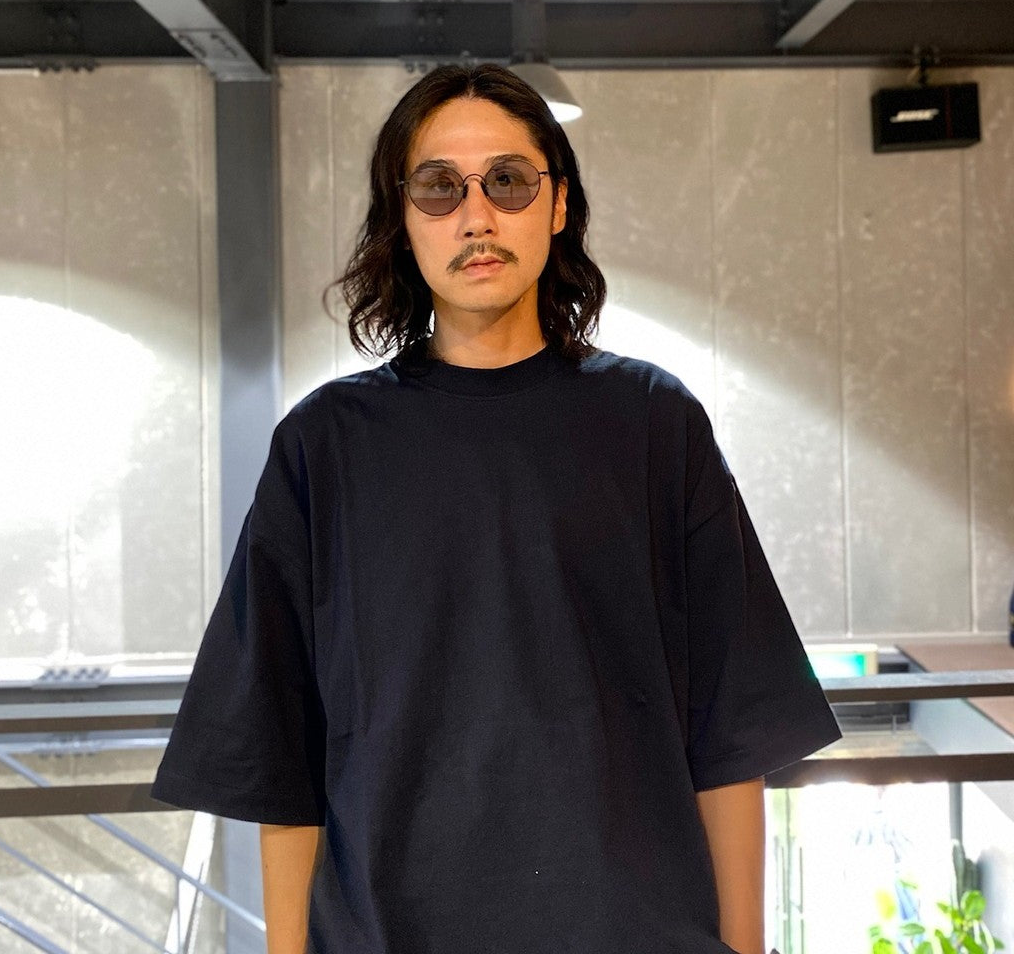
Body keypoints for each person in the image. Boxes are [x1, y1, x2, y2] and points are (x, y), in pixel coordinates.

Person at [152, 63, 841, 954]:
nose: (477, 216)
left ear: (558, 206)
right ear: (401, 220)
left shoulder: (653, 424)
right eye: (440, 188)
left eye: (508, 181)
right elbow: (281, 757)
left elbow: (730, 730)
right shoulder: (325, 447)